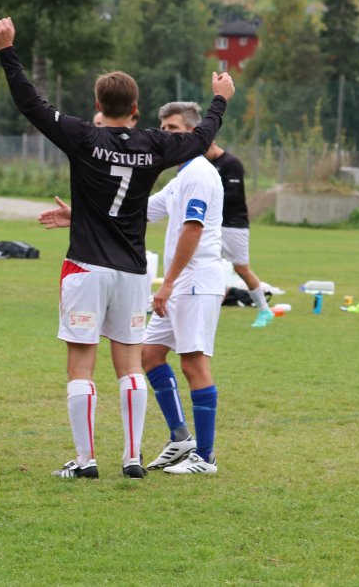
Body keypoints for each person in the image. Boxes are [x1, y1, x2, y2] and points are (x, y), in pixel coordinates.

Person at [0, 16, 234, 480]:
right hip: (132, 272)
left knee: (81, 364)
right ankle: (132, 458)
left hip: (85, 266)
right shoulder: (155, 144)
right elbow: (203, 137)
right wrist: (220, 98)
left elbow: (30, 103)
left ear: (98, 105)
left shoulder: (84, 135)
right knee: (130, 365)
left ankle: (86, 462)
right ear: (136, 107)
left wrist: (8, 51)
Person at [141, 103, 225, 476]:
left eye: (172, 128)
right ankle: (181, 438)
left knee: (193, 363)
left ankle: (205, 458)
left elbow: (193, 229)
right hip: (182, 282)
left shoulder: (200, 174)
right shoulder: (181, 176)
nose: (164, 134)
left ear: (193, 133)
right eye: (161, 127)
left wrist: (168, 283)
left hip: (195, 282)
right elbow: (142, 210)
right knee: (149, 354)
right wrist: (79, 216)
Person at [206, 141, 275, 326]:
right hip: (214, 224)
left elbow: (234, 195)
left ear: (212, 143)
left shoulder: (231, 163)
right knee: (202, 262)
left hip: (234, 225)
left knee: (242, 269)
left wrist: (207, 196)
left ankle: (264, 310)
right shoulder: (209, 164)